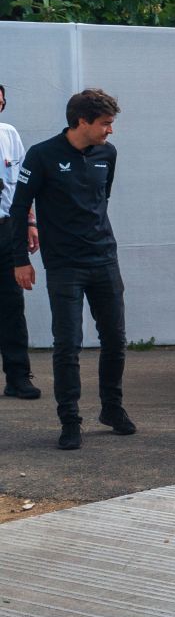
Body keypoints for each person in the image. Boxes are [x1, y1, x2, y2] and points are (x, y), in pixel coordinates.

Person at [9, 89, 133, 450]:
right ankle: (70, 420)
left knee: (115, 339)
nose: (110, 131)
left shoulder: (107, 154)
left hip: (104, 259)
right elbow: (20, 208)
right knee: (68, 345)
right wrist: (21, 260)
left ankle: (112, 409)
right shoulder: (42, 155)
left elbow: (101, 199)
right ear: (82, 121)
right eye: (105, 124)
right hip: (64, 265)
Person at [0, 84, 40, 400]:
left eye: (1, 104)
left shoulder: (9, 134)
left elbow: (22, 186)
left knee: (11, 304)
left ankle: (18, 377)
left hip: (6, 229)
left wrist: (29, 222)